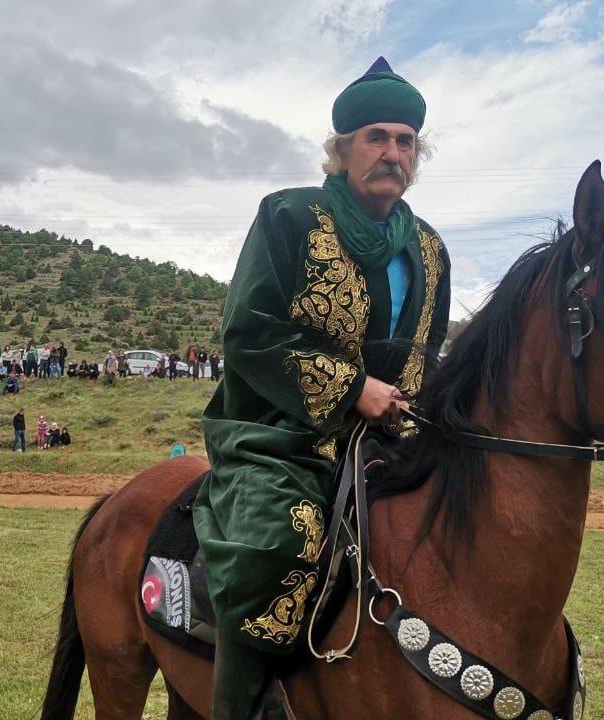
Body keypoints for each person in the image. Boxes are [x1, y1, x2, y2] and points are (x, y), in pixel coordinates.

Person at [192, 57, 450, 720]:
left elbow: (428, 351)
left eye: (404, 141)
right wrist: (352, 388)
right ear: (341, 151)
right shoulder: (289, 217)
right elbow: (248, 334)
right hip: (279, 431)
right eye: (376, 138)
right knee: (277, 541)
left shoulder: (429, 249)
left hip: (391, 436)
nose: (392, 152)